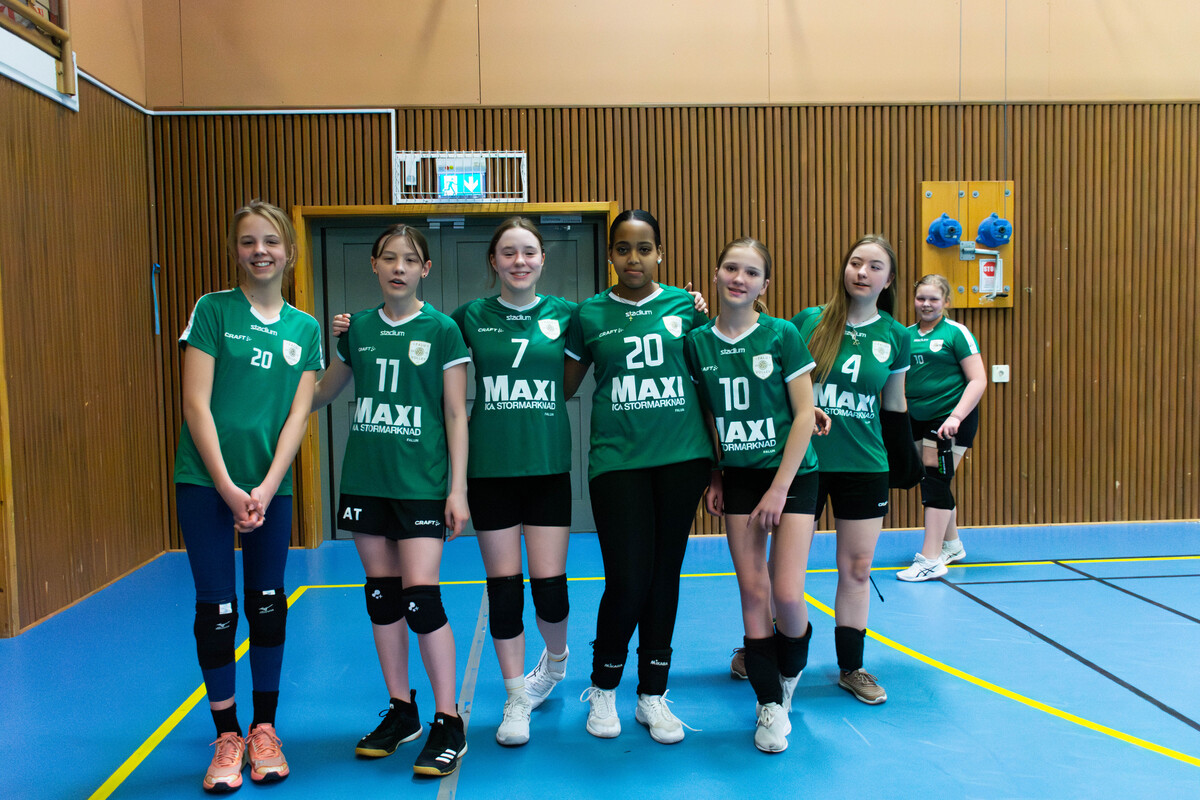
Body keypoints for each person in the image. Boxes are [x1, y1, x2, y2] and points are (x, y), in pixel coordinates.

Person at [312, 223, 471, 777]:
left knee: (421, 599)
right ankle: (402, 711)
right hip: (366, 480)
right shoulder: (356, 329)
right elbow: (322, 391)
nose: (398, 267)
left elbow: (456, 413)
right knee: (382, 597)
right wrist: (301, 351)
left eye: (409, 259)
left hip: (421, 483)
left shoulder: (443, 330)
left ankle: (449, 720)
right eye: (388, 258)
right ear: (374, 265)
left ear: (425, 269)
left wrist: (457, 489)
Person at [174, 200, 322, 792]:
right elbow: (195, 403)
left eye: (271, 241)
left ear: (289, 252)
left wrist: (264, 486)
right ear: (235, 251)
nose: (260, 251)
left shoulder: (305, 328)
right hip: (205, 484)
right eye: (247, 241)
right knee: (216, 609)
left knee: (265, 602)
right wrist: (228, 487)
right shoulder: (212, 310)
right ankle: (227, 733)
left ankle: (264, 729)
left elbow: (298, 417)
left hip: (269, 489)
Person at [564, 209, 712, 744]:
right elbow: (562, 385)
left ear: (660, 254)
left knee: (664, 577)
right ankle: (604, 687)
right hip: (617, 462)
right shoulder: (588, 314)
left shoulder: (686, 308)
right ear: (610, 255)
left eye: (644, 248)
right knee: (628, 580)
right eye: (623, 248)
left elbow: (714, 379)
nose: (634, 258)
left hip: (682, 459)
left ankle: (652, 694)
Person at [687, 238, 823, 753]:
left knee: (786, 593)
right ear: (716, 273)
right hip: (740, 477)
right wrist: (717, 476)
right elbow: (707, 416)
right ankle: (768, 704)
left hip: (792, 475)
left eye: (750, 272)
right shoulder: (697, 342)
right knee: (753, 592)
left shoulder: (783, 334)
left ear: (764, 285)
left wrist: (779, 489)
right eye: (730, 268)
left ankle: (789, 672)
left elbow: (805, 415)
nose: (738, 278)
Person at [448, 218, 575, 747]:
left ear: (543, 259)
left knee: (549, 590)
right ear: (493, 262)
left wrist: (693, 305)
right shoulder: (468, 317)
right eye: (508, 253)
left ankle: (557, 661)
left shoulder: (568, 315)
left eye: (528, 252)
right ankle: (516, 697)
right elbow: (414, 331)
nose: (519, 261)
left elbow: (619, 332)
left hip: (547, 467)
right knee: (504, 590)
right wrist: (354, 327)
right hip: (490, 470)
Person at [791, 234, 910, 705]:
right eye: (856, 263)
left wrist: (909, 464)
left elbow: (895, 406)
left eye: (874, 266)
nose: (862, 272)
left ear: (888, 279)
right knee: (788, 567)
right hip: (806, 462)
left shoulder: (897, 336)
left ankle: (851, 667)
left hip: (864, 465)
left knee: (857, 569)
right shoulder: (809, 321)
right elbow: (784, 388)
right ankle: (770, 650)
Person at [896, 274, 986, 581]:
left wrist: (955, 417)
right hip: (916, 417)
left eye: (933, 299)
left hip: (950, 417)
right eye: (921, 298)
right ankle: (952, 545)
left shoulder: (956, 333)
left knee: (934, 480)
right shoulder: (906, 335)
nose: (926, 304)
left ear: (946, 302)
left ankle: (931, 559)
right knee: (933, 479)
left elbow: (978, 380)